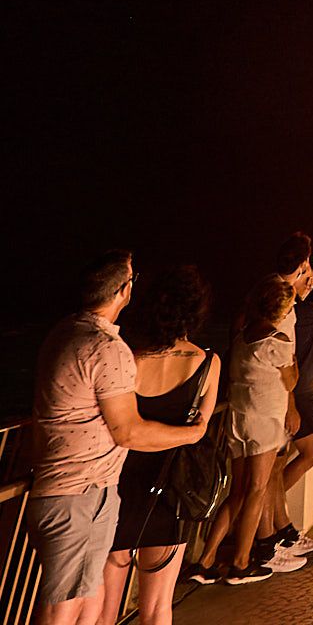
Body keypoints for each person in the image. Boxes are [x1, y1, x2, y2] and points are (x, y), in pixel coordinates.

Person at [27, 251, 205, 625]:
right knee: (64, 607)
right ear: (123, 291)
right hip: (79, 493)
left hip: (76, 489)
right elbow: (128, 430)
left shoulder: (64, 332)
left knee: (87, 601)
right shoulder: (108, 349)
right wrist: (193, 433)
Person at [98, 266, 220, 625]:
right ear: (195, 309)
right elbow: (200, 426)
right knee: (156, 608)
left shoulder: (129, 359)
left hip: (120, 485)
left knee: (106, 611)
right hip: (168, 491)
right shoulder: (206, 362)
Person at [195, 276, 298, 585]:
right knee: (256, 489)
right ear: (281, 308)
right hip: (264, 421)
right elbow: (291, 381)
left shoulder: (241, 338)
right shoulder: (277, 341)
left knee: (237, 492)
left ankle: (206, 560)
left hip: (237, 421)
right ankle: (241, 563)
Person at [262, 233, 313, 564]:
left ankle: (282, 535)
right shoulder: (280, 299)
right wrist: (291, 403)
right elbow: (281, 357)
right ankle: (267, 545)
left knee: (271, 473)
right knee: (265, 477)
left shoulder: (283, 296)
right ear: (304, 264)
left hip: (279, 397)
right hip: (276, 399)